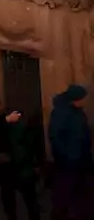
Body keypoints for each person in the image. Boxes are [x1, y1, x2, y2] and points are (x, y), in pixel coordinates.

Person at [48, 84, 92, 220]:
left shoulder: (80, 113)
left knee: (83, 195)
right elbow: (55, 137)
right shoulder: (60, 113)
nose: (85, 101)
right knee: (64, 196)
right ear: (75, 98)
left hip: (82, 160)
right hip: (67, 162)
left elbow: (84, 134)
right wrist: (66, 155)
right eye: (82, 98)